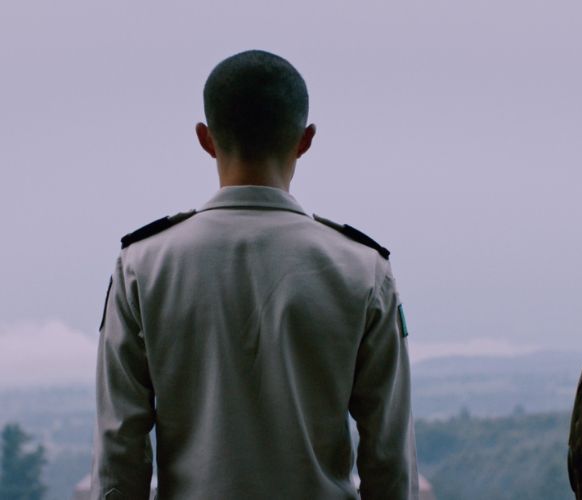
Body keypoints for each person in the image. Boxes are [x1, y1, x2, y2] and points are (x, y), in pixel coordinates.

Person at [91, 50, 419, 500]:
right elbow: (389, 457)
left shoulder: (142, 266)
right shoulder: (363, 269)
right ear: (305, 140)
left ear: (205, 139)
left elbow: (120, 449)